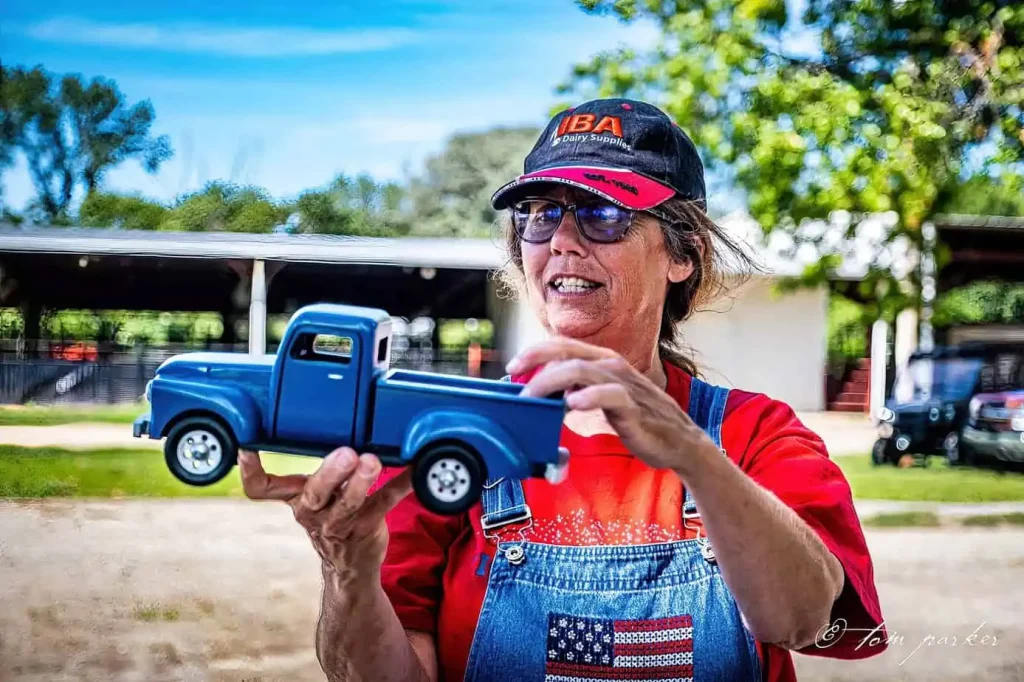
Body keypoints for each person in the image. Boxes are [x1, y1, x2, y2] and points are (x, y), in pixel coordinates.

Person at [238, 98, 887, 682]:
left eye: (603, 215)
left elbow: (805, 619)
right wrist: (346, 571)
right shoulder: (450, 439)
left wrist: (696, 459)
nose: (563, 242)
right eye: (540, 215)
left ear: (682, 252)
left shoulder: (756, 436)